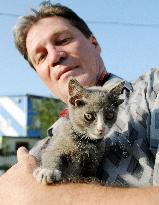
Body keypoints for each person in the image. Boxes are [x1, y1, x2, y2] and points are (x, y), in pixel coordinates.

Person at [0, 1, 159, 204]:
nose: (55, 56)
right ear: (40, 74)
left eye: (63, 40)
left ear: (94, 43)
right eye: (41, 57)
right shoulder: (38, 153)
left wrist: (45, 197)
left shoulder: (153, 92)